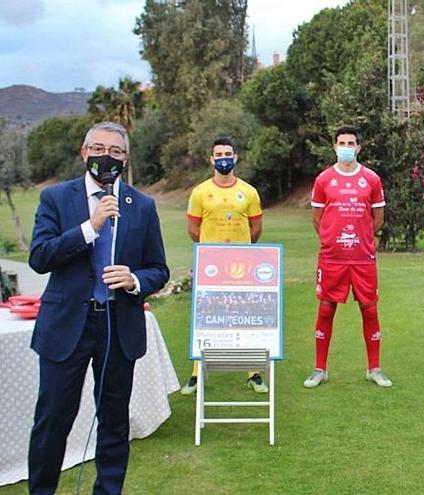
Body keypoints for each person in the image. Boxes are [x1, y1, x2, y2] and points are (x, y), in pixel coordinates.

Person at [27, 121, 169, 494]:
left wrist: (135, 280)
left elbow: (159, 268)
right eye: (100, 149)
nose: (108, 157)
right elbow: (40, 257)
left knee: (113, 421)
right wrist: (90, 227)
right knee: (53, 419)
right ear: (84, 152)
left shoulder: (141, 205)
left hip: (117, 326)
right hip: (66, 325)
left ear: (126, 158)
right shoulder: (56, 198)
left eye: (117, 151)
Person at [303, 126, 392, 388]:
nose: (346, 147)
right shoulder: (323, 180)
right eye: (341, 142)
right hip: (332, 258)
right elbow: (318, 220)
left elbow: (378, 220)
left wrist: (360, 237)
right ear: (334, 147)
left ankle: (374, 369)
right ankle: (320, 369)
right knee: (326, 308)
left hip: (363, 257)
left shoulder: (372, 179)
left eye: (351, 143)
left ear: (358, 148)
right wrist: (334, 240)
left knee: (370, 308)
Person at [181, 137, 266, 394]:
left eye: (228, 153)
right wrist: (212, 253)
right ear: (211, 159)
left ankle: (253, 373)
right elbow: (193, 230)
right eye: (218, 154)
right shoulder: (199, 192)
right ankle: (197, 374)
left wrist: (239, 250)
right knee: (205, 318)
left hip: (242, 266)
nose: (223, 158)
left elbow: (256, 228)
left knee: (246, 317)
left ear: (236, 157)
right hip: (211, 267)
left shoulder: (249, 192)